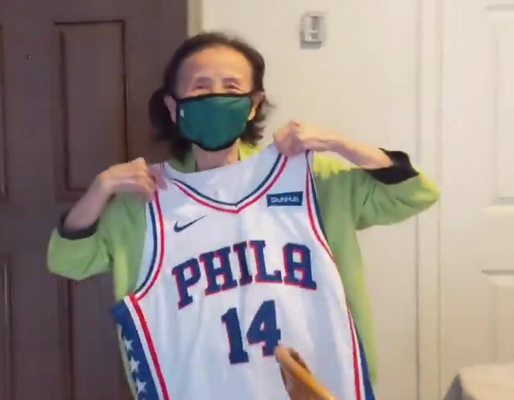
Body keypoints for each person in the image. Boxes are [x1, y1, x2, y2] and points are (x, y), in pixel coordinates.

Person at [47, 31, 440, 398]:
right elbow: (68, 261)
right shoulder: (147, 197)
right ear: (172, 105)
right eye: (200, 86)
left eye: (232, 87)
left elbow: (414, 195)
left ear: (254, 104)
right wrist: (100, 188)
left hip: (313, 383)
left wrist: (340, 143)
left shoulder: (309, 176)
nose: (216, 97)